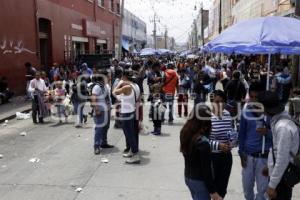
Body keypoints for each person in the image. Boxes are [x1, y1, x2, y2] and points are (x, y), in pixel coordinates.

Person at [258, 91, 299, 200]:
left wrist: (272, 186)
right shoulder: (278, 120)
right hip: (280, 175)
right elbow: (277, 151)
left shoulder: (282, 127)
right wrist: (270, 166)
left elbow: (282, 159)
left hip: (282, 179)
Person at [180, 105, 223, 200]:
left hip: (188, 177)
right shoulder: (203, 143)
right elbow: (206, 170)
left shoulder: (185, 132)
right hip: (200, 182)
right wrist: (213, 192)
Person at [239, 82, 272, 200]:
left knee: (262, 192)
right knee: (247, 189)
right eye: (251, 97)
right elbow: (241, 134)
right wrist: (241, 153)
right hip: (248, 157)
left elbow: (278, 137)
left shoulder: (269, 113)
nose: (253, 100)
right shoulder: (245, 112)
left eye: (256, 97)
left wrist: (267, 132)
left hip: (264, 158)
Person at [209, 90, 234, 198]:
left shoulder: (228, 115)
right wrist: (218, 145)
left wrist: (233, 141)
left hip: (226, 157)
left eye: (222, 102)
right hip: (211, 158)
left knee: (222, 188)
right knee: (211, 188)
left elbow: (231, 132)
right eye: (217, 101)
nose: (220, 104)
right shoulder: (206, 117)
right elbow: (201, 140)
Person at [113, 69, 140, 164]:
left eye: (122, 77)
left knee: (129, 134)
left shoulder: (127, 87)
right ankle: (132, 151)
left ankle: (136, 154)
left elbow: (114, 92)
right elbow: (137, 99)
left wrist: (119, 83)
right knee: (131, 133)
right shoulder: (135, 86)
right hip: (132, 111)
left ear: (124, 77)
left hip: (127, 113)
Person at [91, 70, 114, 155]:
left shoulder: (105, 86)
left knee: (106, 127)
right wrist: (97, 109)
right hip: (100, 110)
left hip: (106, 110)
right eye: (108, 76)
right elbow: (94, 98)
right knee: (99, 128)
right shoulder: (97, 87)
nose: (109, 77)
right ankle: (96, 146)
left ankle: (103, 143)